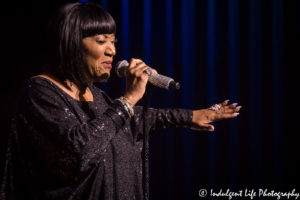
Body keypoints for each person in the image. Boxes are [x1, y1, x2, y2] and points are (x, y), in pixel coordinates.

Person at [0, 2, 241, 200]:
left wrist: (191, 116)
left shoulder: (95, 95)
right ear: (72, 42)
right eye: (102, 40)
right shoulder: (40, 91)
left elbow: (132, 120)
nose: (112, 51)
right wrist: (128, 98)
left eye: (113, 42)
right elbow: (78, 151)